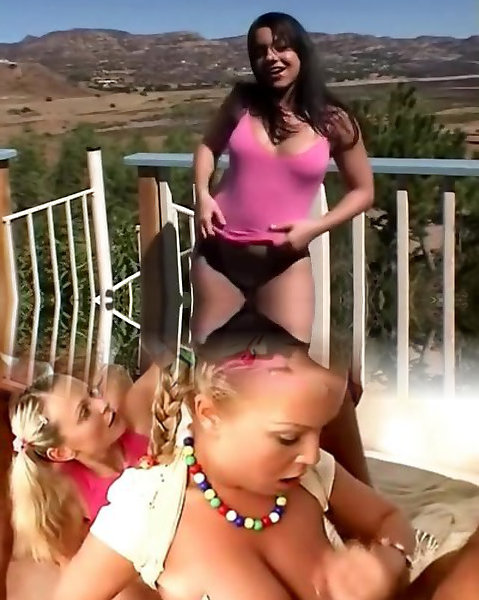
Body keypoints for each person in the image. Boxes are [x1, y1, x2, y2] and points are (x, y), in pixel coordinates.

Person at [53, 350, 420, 600]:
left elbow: (388, 519)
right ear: (209, 414)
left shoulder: (309, 473)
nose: (312, 453)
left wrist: (388, 563)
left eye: (318, 431)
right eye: (287, 437)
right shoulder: (147, 509)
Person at [192, 11, 374, 347]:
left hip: (283, 264)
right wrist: (202, 194)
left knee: (289, 366)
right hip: (218, 257)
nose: (271, 58)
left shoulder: (334, 121)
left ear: (301, 51)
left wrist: (315, 227)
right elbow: (208, 147)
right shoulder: (242, 102)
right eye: (260, 51)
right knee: (211, 367)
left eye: (281, 47)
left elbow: (363, 191)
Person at [5, 364, 164, 600]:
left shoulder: (136, 417)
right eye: (85, 412)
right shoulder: (69, 502)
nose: (103, 404)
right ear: (62, 452)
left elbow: (174, 359)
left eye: (92, 393)